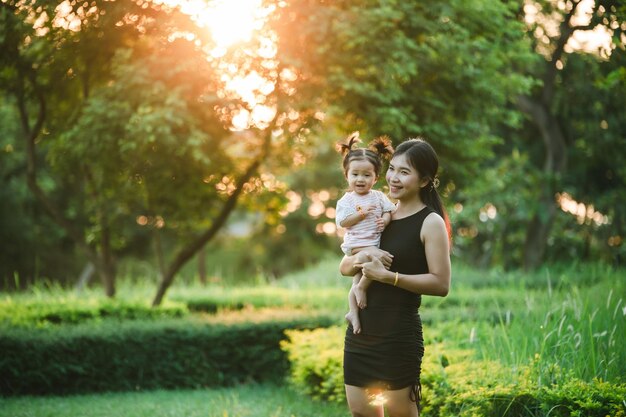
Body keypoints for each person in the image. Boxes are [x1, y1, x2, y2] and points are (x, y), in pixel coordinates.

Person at [339, 138, 451, 417]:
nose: (393, 178)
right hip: (361, 330)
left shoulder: (430, 221)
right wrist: (359, 260)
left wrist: (389, 277)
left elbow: (440, 284)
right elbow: (344, 266)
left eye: (404, 172)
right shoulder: (379, 212)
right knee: (360, 412)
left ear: (424, 180)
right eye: (392, 169)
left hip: (397, 335)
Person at [335, 133, 396, 335]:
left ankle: (353, 313)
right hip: (356, 244)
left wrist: (384, 220)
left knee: (360, 274)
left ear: (376, 178)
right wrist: (359, 215)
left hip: (372, 242)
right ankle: (362, 288)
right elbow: (343, 222)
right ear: (347, 175)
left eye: (366, 175)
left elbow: (389, 210)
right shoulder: (347, 201)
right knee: (377, 258)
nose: (360, 179)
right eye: (355, 174)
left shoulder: (378, 197)